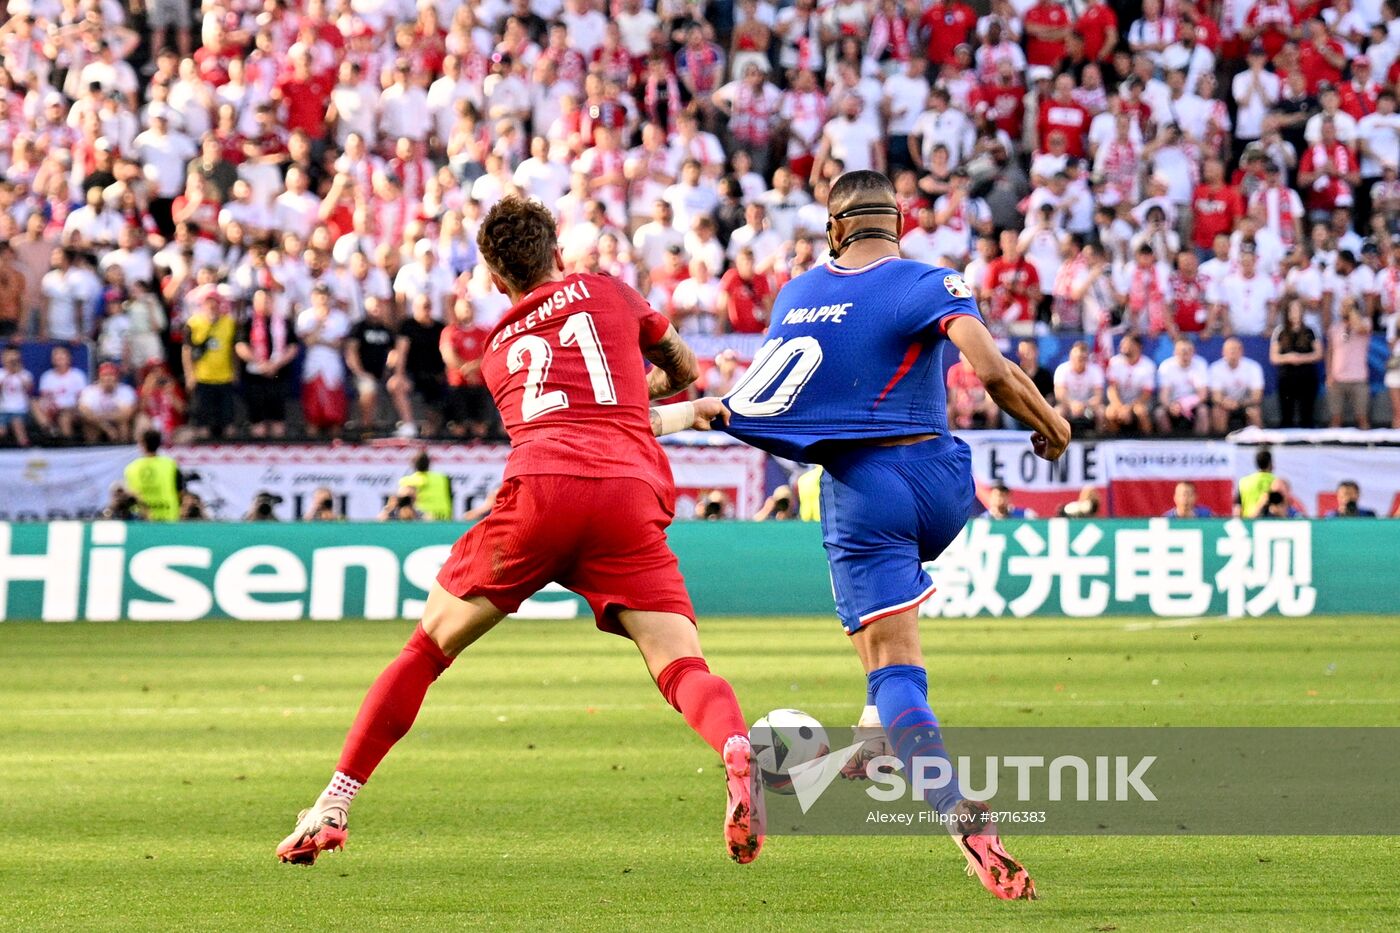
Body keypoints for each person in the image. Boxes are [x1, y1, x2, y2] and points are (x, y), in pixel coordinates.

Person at [277, 196, 758, 868]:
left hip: (539, 495)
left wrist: (650, 408)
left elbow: (574, 422)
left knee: (425, 650)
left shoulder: (500, 349)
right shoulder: (610, 291)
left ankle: (333, 801)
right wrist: (679, 397)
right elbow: (677, 372)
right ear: (556, 248)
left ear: (496, 277)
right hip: (626, 495)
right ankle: (735, 745)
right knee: (681, 666)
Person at [719, 171, 1069, 901]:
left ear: (835, 229)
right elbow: (992, 372)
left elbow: (774, 395)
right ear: (899, 223)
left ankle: (955, 810)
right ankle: (875, 732)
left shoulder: (798, 295)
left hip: (865, 488)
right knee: (887, 657)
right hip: (943, 482)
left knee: (895, 667)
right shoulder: (930, 280)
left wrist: (689, 411)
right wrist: (1052, 423)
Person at [1271, 298, 1323, 428]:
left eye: (1298, 310)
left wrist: (1301, 358)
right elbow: (1274, 357)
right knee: (1287, 412)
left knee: (1306, 413)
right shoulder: (1280, 331)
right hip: (1287, 376)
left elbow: (1318, 354)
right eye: (1292, 310)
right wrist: (1289, 357)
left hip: (1306, 376)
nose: (1295, 313)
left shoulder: (1311, 330)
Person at [1207, 337, 1265, 434]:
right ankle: (1220, 442)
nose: (1232, 353)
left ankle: (1257, 442)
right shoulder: (1215, 368)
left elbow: (1257, 397)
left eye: (1235, 350)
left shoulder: (1253, 367)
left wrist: (1239, 404)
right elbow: (1215, 396)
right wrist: (1225, 402)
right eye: (1229, 350)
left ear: (1241, 351)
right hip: (1224, 405)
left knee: (1254, 412)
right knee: (1218, 412)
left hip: (1245, 404)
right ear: (1223, 352)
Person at [123, 429, 182, 522]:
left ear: (142, 444)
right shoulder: (170, 465)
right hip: (168, 516)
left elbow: (129, 494)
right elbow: (180, 491)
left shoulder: (131, 468)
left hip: (141, 518)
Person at [398, 450, 453, 521]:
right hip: (443, 517)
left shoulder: (407, 481)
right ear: (429, 464)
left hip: (422, 519)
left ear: (413, 465)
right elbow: (450, 497)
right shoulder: (442, 478)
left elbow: (402, 503)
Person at [1236, 448, 1277, 518]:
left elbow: (1237, 508)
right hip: (1266, 524)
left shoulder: (1244, 481)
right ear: (1270, 463)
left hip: (1247, 523)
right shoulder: (1275, 482)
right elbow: (1277, 508)